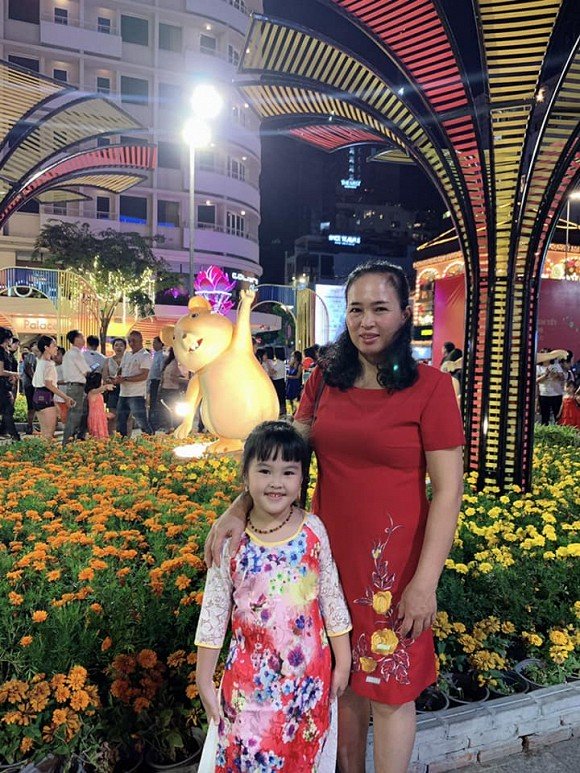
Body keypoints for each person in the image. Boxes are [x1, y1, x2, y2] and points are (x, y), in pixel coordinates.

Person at [205, 260, 465, 773]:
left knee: (391, 690)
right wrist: (238, 506)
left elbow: (448, 491)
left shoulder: (431, 388)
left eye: (380, 309)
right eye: (355, 310)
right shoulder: (325, 381)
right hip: (321, 561)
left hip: (393, 569)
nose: (366, 322)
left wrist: (425, 582)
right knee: (340, 682)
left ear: (405, 313)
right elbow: (285, 457)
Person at [195, 421, 352, 770]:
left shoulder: (314, 531)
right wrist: (203, 678)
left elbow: (331, 598)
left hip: (308, 684)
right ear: (245, 475)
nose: (276, 482)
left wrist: (343, 661)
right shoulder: (231, 540)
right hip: (248, 688)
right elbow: (214, 612)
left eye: (288, 472)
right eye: (264, 470)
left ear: (302, 478)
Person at [32, 336, 75, 440]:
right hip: (46, 397)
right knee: (48, 434)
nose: (56, 348)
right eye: (54, 345)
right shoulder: (49, 364)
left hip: (38, 396)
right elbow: (49, 384)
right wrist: (66, 397)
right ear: (46, 348)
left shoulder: (40, 361)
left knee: (45, 433)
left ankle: (41, 449)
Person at [115, 331, 153, 437]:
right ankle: (122, 442)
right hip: (123, 393)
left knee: (141, 421)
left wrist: (125, 379)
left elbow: (144, 375)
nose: (131, 343)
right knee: (120, 421)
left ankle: (150, 439)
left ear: (141, 341)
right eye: (129, 341)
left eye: (134, 341)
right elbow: (120, 369)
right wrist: (116, 378)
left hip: (137, 394)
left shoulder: (145, 356)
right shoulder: (127, 354)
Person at [62, 330, 90, 445]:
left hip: (73, 387)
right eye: (82, 337)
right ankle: (67, 443)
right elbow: (86, 371)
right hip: (77, 387)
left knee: (76, 415)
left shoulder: (69, 353)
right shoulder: (76, 353)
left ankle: (71, 441)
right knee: (75, 416)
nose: (84, 340)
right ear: (76, 339)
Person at [158, 347, 186, 431]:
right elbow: (174, 378)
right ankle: (176, 428)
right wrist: (188, 381)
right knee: (176, 412)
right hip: (173, 390)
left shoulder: (168, 362)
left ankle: (170, 427)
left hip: (165, 389)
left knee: (168, 411)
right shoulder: (175, 364)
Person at [102, 337, 126, 436]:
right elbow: (105, 377)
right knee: (112, 416)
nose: (118, 347)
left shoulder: (128, 360)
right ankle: (111, 437)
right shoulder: (108, 360)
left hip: (126, 390)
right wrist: (109, 380)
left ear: (125, 347)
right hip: (113, 390)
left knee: (126, 416)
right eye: (116, 345)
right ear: (113, 347)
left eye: (121, 345)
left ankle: (126, 438)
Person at [0, 327, 20, 441]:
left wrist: (11, 376)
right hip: (2, 386)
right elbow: (0, 371)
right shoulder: (1, 351)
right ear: (6, 339)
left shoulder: (6, 351)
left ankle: (12, 435)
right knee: (8, 410)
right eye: (10, 338)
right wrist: (14, 374)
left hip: (5, 385)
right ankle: (15, 436)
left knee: (7, 410)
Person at [536, 353, 566, 425]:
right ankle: (545, 429)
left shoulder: (556, 365)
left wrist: (557, 375)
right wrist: (545, 375)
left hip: (556, 394)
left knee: (558, 415)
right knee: (545, 416)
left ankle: (558, 429)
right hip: (544, 394)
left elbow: (562, 378)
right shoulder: (538, 367)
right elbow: (536, 380)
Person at [85, 371, 114, 439]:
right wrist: (106, 386)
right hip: (95, 417)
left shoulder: (98, 393)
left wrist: (105, 414)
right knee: (97, 434)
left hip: (100, 416)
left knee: (102, 433)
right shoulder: (92, 392)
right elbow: (100, 389)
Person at [147, 336, 165, 430]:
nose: (153, 345)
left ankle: (154, 423)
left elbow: (161, 370)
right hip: (152, 381)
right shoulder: (155, 355)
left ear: (160, 344)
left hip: (157, 381)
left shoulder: (162, 355)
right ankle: (151, 423)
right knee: (152, 402)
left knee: (155, 403)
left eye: (155, 343)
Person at [21, 341, 39, 434]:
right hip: (30, 384)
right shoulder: (31, 355)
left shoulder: (34, 356)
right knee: (32, 406)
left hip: (30, 384)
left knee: (32, 406)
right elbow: (29, 368)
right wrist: (34, 380)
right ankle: (30, 427)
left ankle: (30, 426)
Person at [53, 346, 68, 425]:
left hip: (64, 395)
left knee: (64, 415)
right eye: (54, 354)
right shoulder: (52, 366)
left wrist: (56, 382)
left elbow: (68, 380)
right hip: (55, 396)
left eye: (58, 354)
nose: (55, 356)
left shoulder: (66, 367)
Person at [286, 350, 303, 414]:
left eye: (293, 356)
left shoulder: (300, 365)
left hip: (295, 383)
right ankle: (290, 412)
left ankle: (295, 412)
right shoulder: (291, 364)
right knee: (288, 398)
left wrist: (289, 377)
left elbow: (298, 376)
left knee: (295, 398)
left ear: (296, 357)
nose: (292, 357)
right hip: (289, 383)